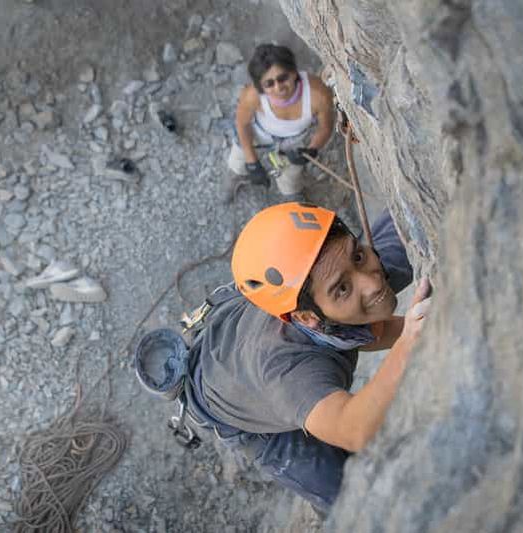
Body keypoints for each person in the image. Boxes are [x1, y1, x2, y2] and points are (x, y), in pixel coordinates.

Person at [183, 202, 432, 515]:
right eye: (342, 288)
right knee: (358, 505)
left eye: (358, 254)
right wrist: (408, 344)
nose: (372, 281)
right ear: (306, 317)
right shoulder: (288, 371)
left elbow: (369, 331)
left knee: (393, 254)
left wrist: (428, 327)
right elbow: (353, 429)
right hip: (245, 411)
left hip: (257, 330)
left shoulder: (334, 287)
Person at [222, 44, 336, 204]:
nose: (279, 87)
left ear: (294, 72)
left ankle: (291, 193)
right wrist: (252, 162)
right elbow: (243, 125)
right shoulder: (252, 95)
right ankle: (238, 174)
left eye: (283, 78)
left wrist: (311, 149)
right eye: (269, 84)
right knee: (239, 158)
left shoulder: (318, 94)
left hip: (295, 140)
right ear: (260, 86)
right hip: (259, 133)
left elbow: (325, 127)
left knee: (291, 175)